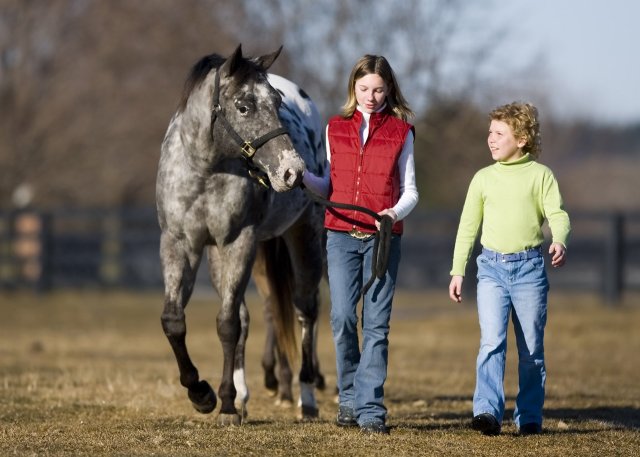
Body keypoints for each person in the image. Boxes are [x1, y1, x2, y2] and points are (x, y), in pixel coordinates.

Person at [303, 54, 418, 435]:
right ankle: (348, 398)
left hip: (382, 239)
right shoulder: (334, 128)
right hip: (340, 235)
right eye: (364, 88)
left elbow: (411, 192)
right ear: (353, 88)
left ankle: (370, 410)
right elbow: (329, 186)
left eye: (379, 89)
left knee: (377, 326)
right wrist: (302, 176)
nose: (370, 96)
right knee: (342, 318)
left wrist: (392, 214)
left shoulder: (402, 132)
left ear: (389, 90)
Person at [448, 102, 571, 436]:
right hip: (491, 269)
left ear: (521, 139)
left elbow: (557, 214)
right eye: (490, 132)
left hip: (529, 270)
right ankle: (487, 411)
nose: (491, 139)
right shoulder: (483, 179)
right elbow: (467, 227)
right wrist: (457, 270)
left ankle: (529, 416)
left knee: (531, 348)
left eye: (499, 133)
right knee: (492, 342)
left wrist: (559, 239)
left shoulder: (541, 175)